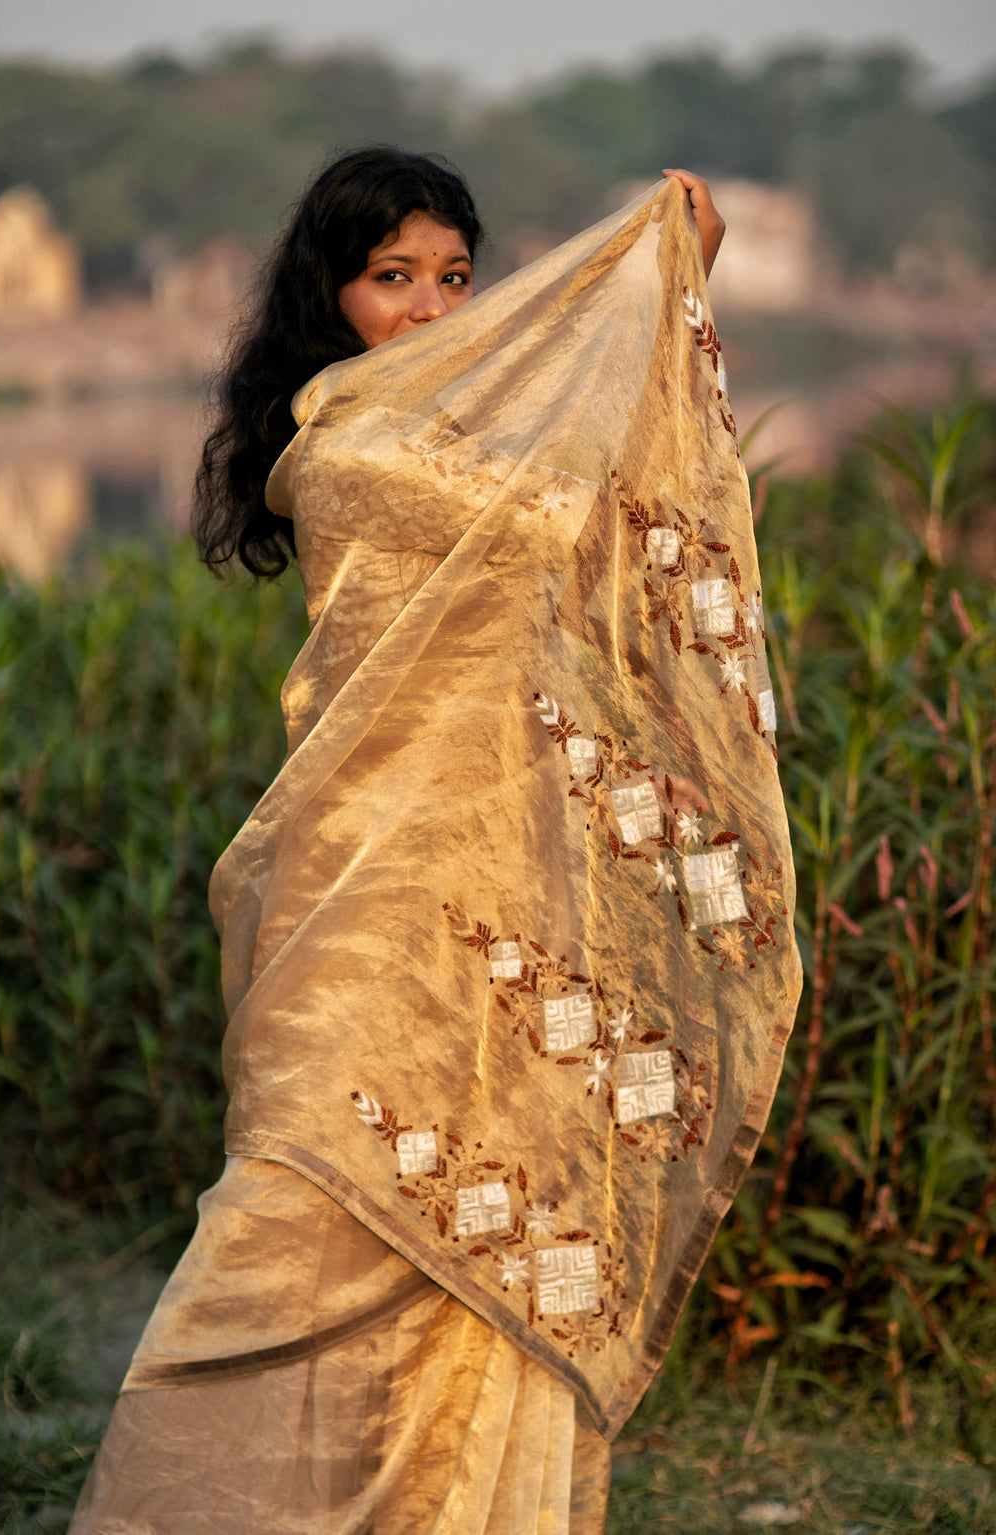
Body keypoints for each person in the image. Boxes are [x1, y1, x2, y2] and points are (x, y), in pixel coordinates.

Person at [70, 147, 799, 1535]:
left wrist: (654, 289)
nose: (429, 308)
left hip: (506, 880)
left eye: (456, 278)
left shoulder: (469, 436)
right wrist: (656, 288)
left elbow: (587, 517)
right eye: (390, 279)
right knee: (290, 1221)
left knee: (501, 1207)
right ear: (326, 298)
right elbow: (567, 510)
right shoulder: (341, 453)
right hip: (363, 898)